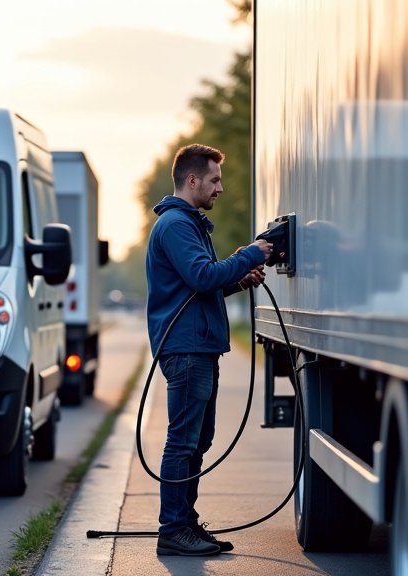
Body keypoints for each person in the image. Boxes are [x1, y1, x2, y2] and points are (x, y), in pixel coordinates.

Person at [145, 143, 271, 556]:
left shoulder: (188, 224)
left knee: (196, 441)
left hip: (196, 348)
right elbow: (201, 276)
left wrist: (239, 278)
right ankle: (173, 530)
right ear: (193, 179)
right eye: (214, 179)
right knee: (183, 442)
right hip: (186, 351)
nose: (220, 187)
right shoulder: (177, 225)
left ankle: (185, 524)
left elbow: (198, 287)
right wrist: (249, 253)